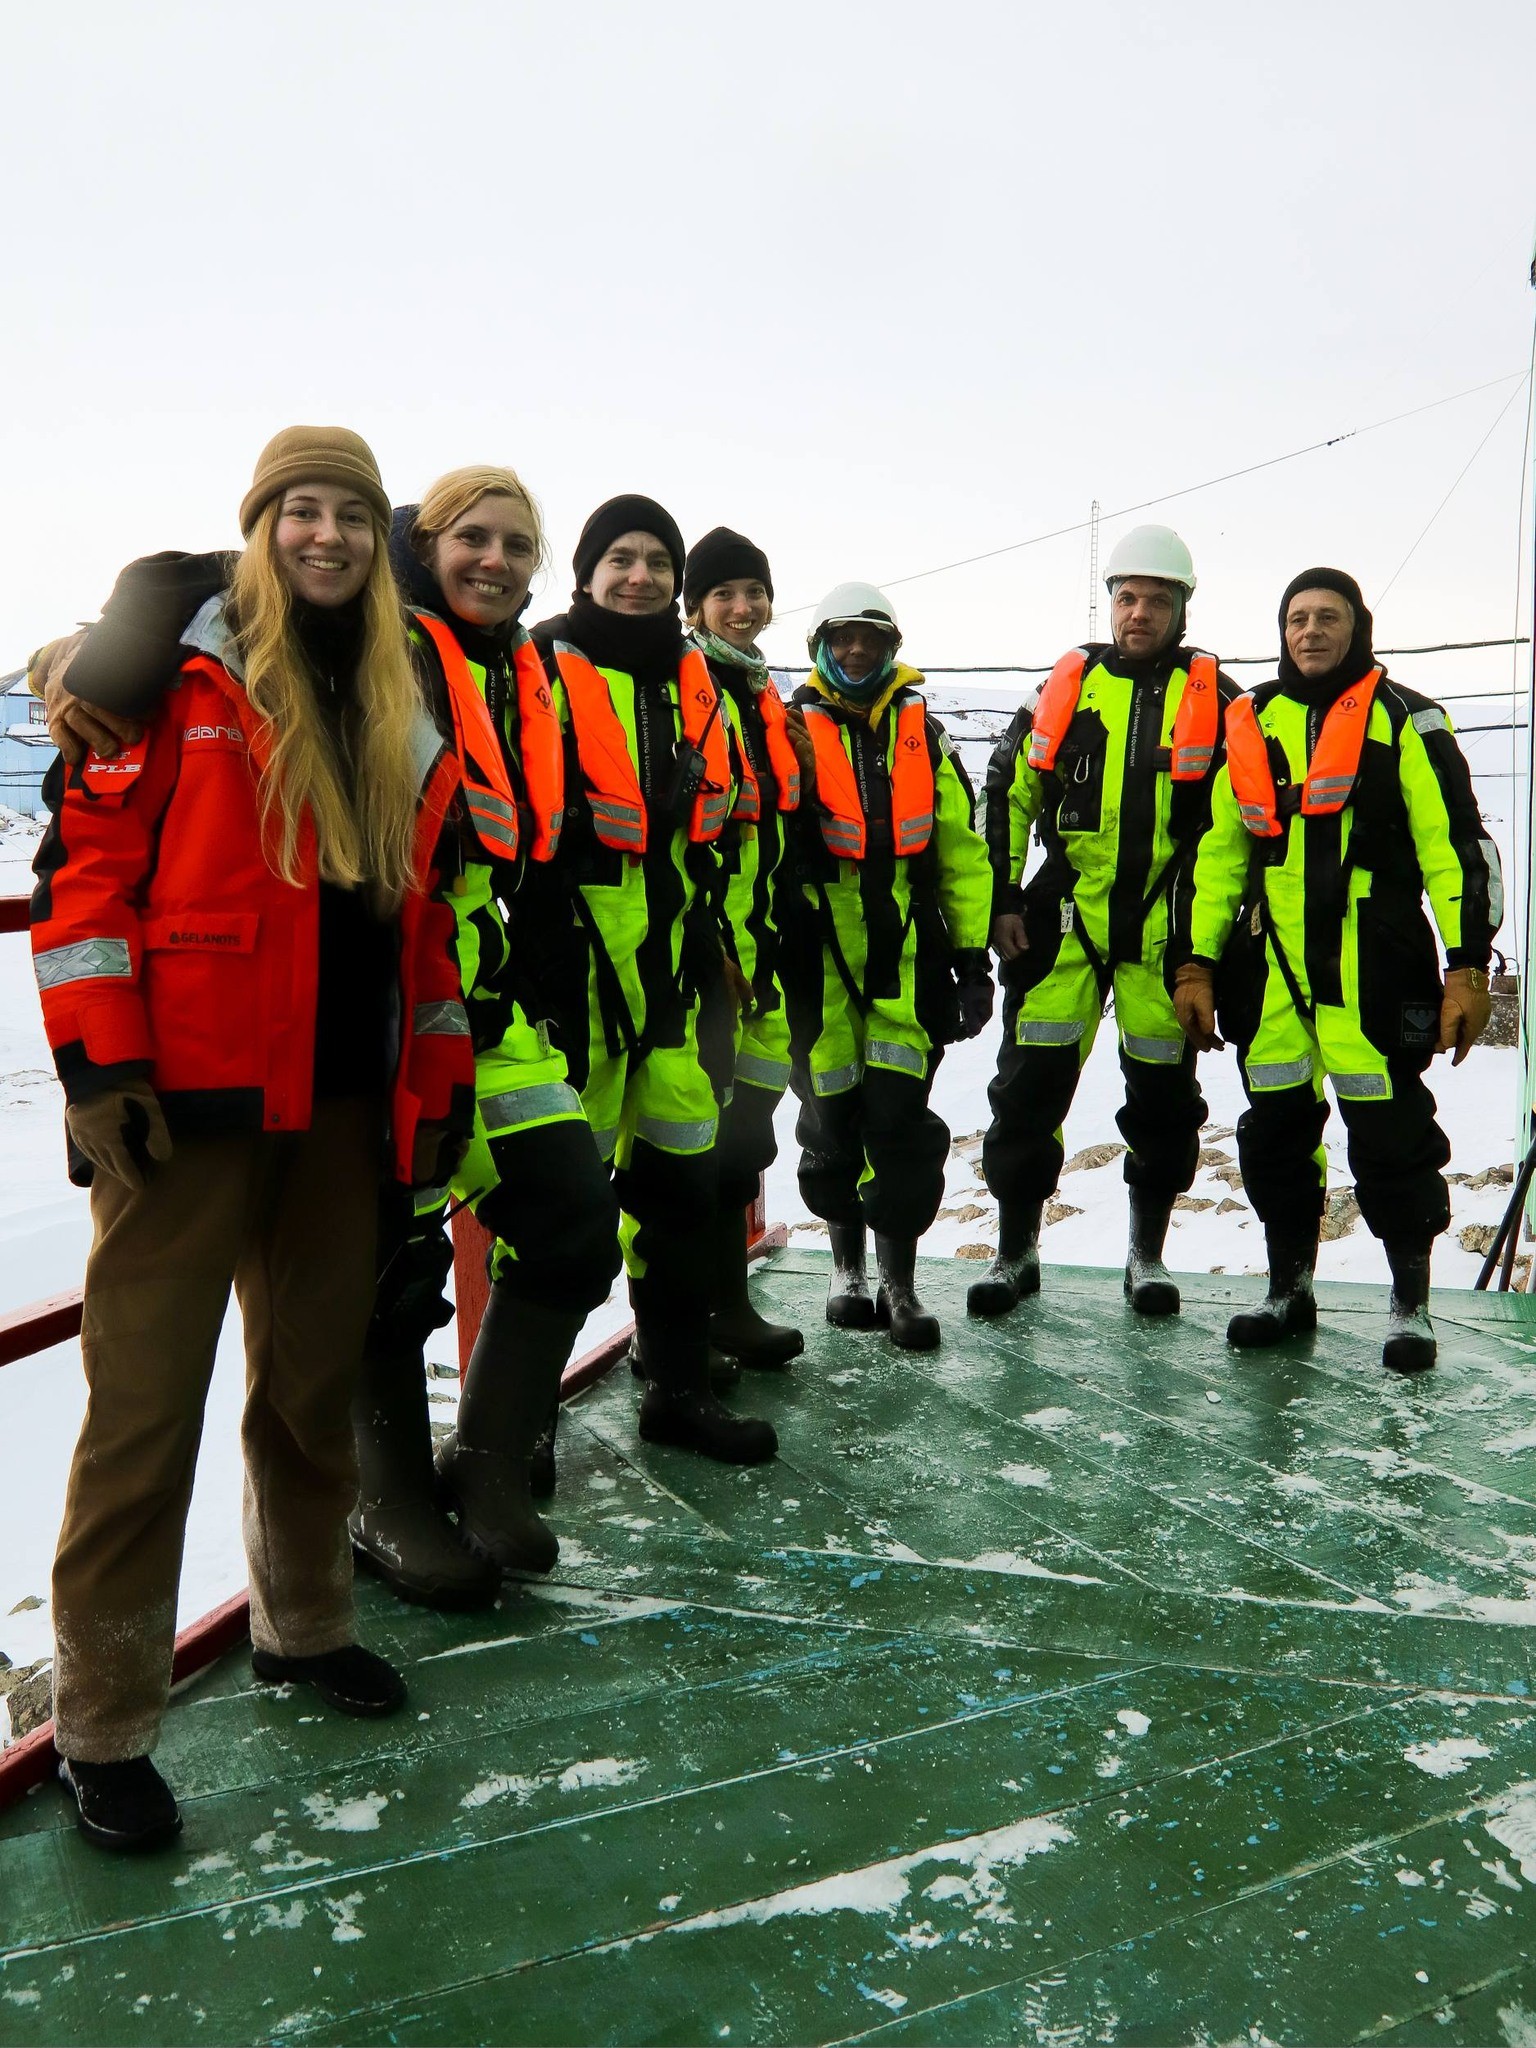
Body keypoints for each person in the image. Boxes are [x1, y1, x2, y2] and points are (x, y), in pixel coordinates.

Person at [29, 466, 626, 1609]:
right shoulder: (298, 655)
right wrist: (97, 1063)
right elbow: (90, 862)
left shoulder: (481, 675)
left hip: (415, 1042)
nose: (494, 561)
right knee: (198, 1387)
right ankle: (369, 1516)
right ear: (420, 544)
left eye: (517, 543)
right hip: (232, 1079)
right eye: (470, 538)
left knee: (524, 1242)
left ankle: (438, 1507)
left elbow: (455, 892)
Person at [29, 427, 475, 1851]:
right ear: (261, 527)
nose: (327, 535)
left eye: (350, 512)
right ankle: (101, 1725)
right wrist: (98, 1068)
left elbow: (427, 925)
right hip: (189, 1115)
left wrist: (438, 1078)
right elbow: (85, 875)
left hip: (343, 1111)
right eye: (301, 510)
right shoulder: (182, 672)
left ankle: (301, 1626)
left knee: (308, 1389)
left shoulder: (408, 697)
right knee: (139, 1416)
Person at [1173, 568, 1499, 1373]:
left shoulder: (1407, 720)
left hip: (1375, 967)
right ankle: (1289, 1290)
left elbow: (1455, 851)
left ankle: (1410, 1307)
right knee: (1276, 1137)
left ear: (1359, 626)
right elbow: (1218, 856)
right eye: (1296, 619)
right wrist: (1196, 965)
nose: (1310, 631)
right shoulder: (1252, 720)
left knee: (1392, 1140)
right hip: (1272, 972)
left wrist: (1466, 968)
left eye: (1327, 617)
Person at [529, 496, 778, 1461]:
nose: (640, 576)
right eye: (619, 558)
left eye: (657, 562)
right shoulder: (537, 670)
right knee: (558, 1206)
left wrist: (719, 950)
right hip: (574, 987)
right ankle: (523, 1424)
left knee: (680, 1192)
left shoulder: (694, 684)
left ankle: (675, 1390)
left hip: (674, 981)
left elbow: (707, 842)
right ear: (586, 570)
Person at [970, 525, 1238, 1320]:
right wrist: (1001, 900)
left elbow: (1244, 828)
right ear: (1109, 602)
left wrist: (1211, 950)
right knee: (1024, 1096)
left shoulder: (1219, 701)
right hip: (1063, 926)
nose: (1140, 612)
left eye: (1158, 599)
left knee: (1162, 1104)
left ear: (1182, 608)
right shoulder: (1065, 685)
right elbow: (1004, 793)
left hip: (1166, 935)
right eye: (1128, 597)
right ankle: (1015, 1252)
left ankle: (1145, 1258)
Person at [782, 582, 993, 1348]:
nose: (859, 652)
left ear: (892, 650)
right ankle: (848, 1272)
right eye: (844, 639)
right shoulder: (787, 732)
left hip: (905, 961)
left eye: (873, 639)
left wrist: (972, 962)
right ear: (820, 648)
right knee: (830, 1121)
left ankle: (900, 1284)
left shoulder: (925, 738)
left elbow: (962, 857)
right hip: (817, 965)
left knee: (899, 1125)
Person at [682, 526, 816, 1369]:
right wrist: (705, 947)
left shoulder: (765, 696)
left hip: (765, 955)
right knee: (685, 1153)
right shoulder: (683, 688)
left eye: (755, 594)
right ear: (694, 605)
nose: (743, 608)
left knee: (742, 1147)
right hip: (707, 959)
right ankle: (682, 1325)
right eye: (725, 593)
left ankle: (727, 1306)